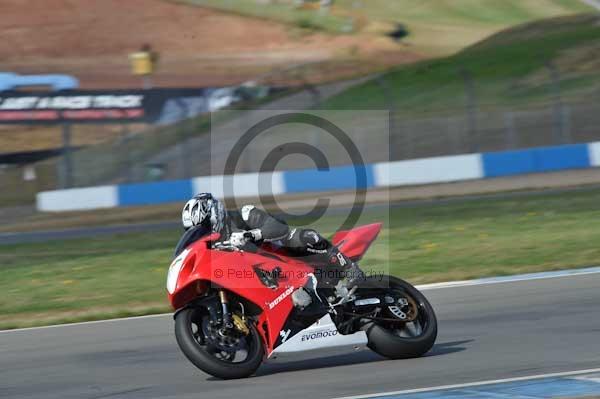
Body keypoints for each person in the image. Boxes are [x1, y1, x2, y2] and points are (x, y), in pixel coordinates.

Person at [180, 193, 364, 303]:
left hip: (280, 255)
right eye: (196, 231)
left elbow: (278, 228)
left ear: (214, 213)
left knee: (303, 236)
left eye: (203, 227)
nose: (202, 233)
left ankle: (350, 268)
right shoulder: (211, 245)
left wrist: (250, 235)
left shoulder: (244, 215)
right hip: (261, 277)